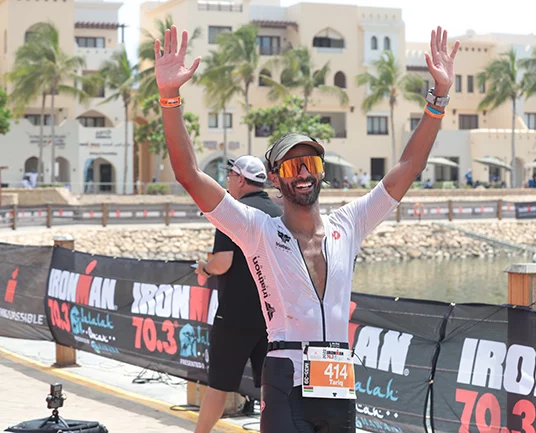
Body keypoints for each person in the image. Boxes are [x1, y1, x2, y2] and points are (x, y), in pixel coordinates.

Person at [155, 25, 459, 433]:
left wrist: (438, 98)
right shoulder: (257, 230)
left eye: (311, 164)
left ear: (322, 174)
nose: (303, 173)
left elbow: (408, 168)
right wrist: (170, 98)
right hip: (283, 377)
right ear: (276, 181)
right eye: (291, 167)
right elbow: (189, 175)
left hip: (338, 381)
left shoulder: (349, 224)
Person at [193, 156, 282, 433]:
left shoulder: (232, 212)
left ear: (241, 179)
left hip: (234, 315)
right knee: (273, 389)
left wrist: (204, 270)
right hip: (273, 318)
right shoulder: (280, 214)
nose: (227, 180)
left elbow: (223, 262)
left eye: (230, 175)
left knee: (218, 386)